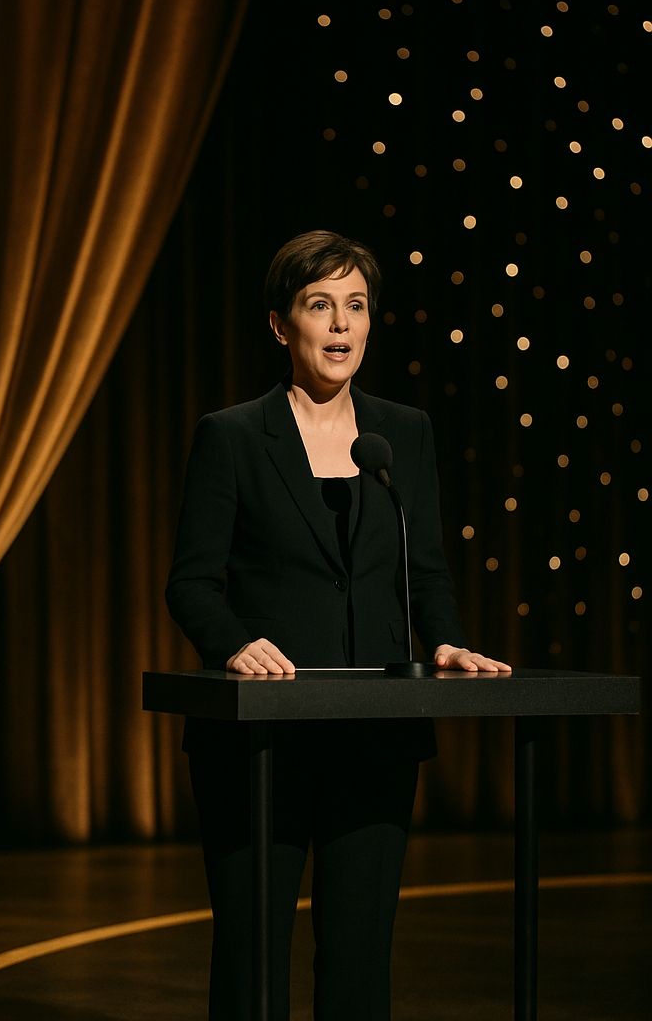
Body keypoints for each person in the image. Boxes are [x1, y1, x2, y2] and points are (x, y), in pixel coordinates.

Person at [165, 230, 509, 1020]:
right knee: (253, 958)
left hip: (376, 736)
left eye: (356, 306)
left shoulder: (403, 433)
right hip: (261, 735)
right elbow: (189, 583)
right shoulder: (232, 435)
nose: (342, 324)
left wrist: (446, 640)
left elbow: (424, 569)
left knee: (360, 960)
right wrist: (233, 644)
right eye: (320, 305)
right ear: (282, 325)